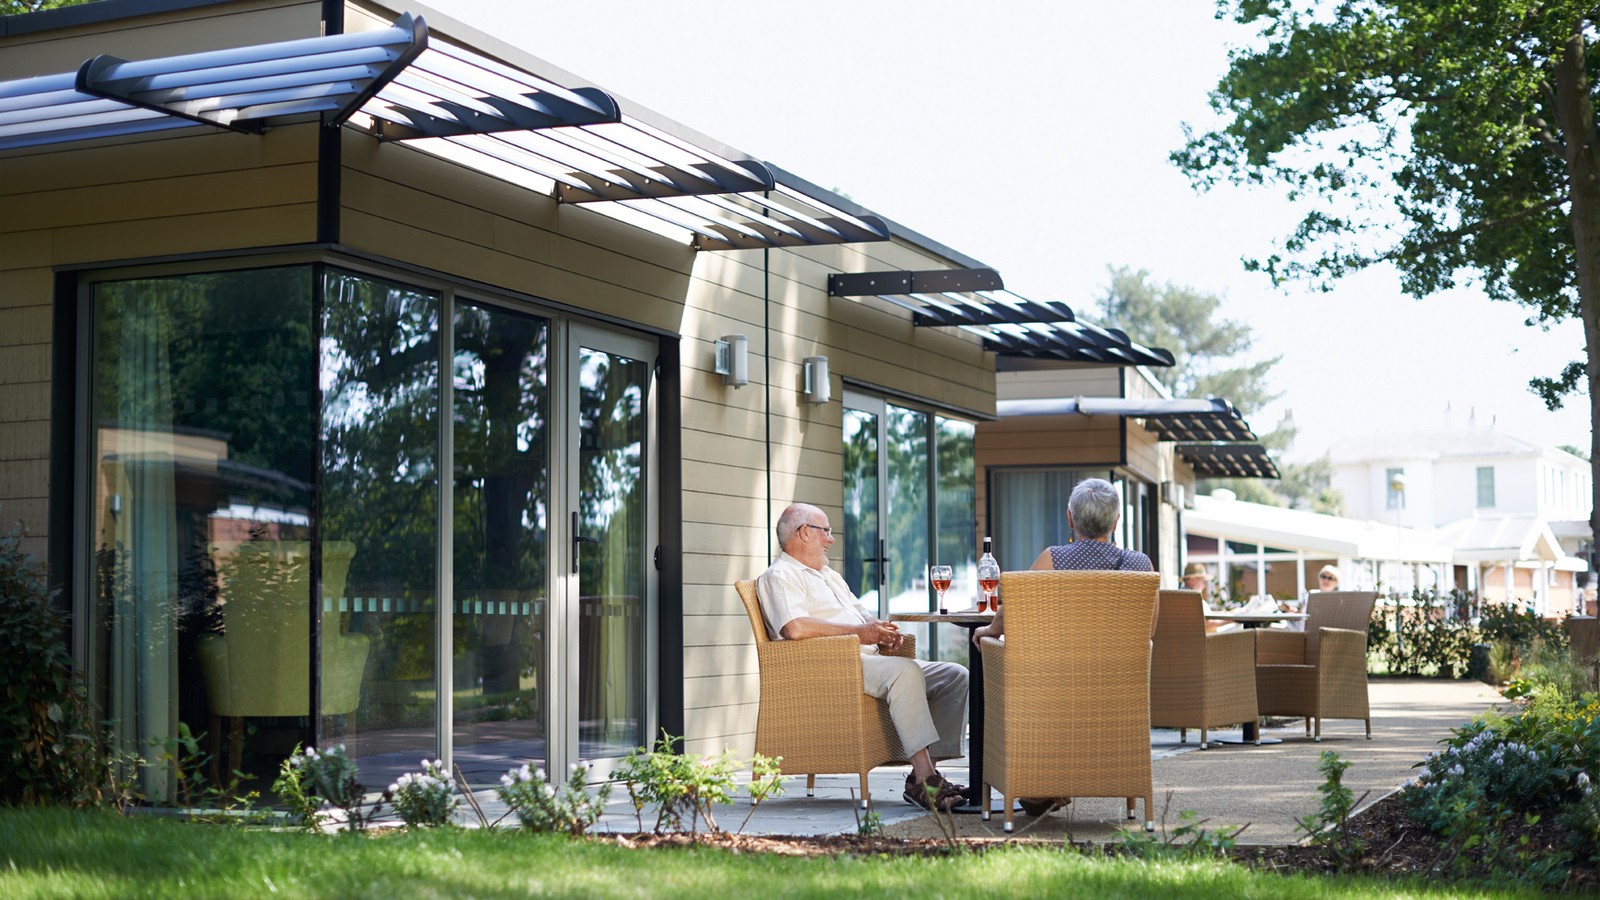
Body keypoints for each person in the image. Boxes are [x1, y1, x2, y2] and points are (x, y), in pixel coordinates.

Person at [756, 502, 970, 812]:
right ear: (803, 532)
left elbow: (862, 618)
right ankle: (926, 780)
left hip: (867, 659)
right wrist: (861, 633)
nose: (831, 539)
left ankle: (923, 775)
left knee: (954, 675)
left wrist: (882, 634)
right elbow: (795, 627)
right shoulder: (781, 575)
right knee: (905, 672)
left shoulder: (828, 575)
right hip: (832, 666)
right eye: (826, 531)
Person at [971, 478, 1153, 645]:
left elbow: (1013, 611)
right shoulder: (1142, 565)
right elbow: (1149, 630)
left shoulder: (1053, 560)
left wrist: (989, 630)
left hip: (1060, 677)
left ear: (1070, 519)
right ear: (1116, 522)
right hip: (1124, 676)